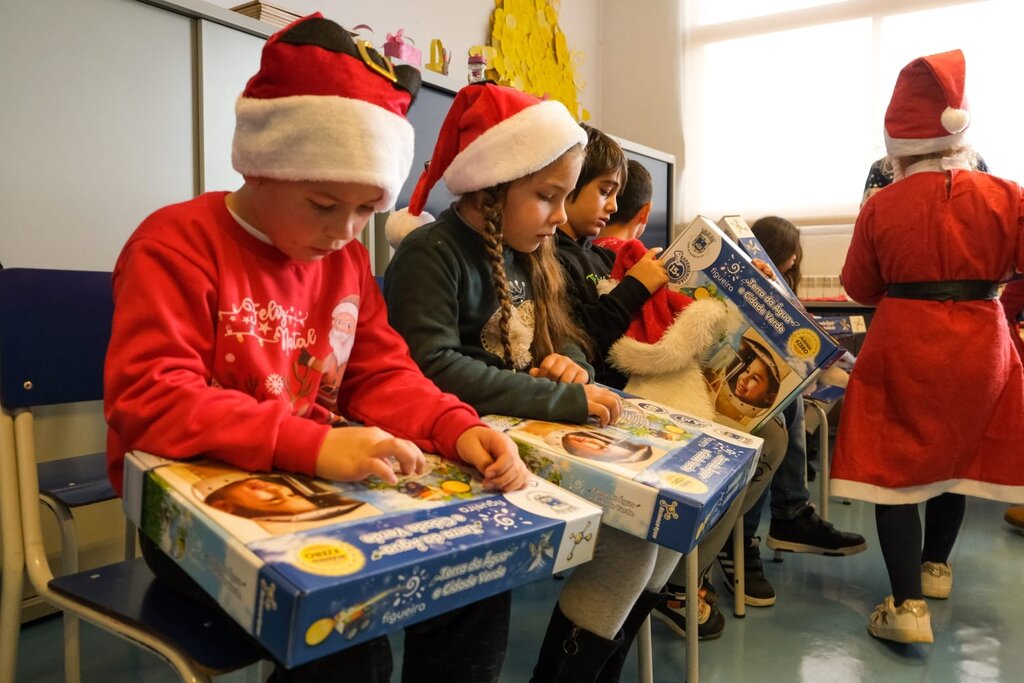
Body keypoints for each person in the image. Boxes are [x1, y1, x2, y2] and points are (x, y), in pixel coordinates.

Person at [103, 16, 530, 683]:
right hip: (193, 509)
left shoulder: (345, 261)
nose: (345, 232)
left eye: (365, 211)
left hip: (315, 483)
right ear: (262, 165)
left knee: (475, 581)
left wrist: (456, 426)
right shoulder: (174, 244)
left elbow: (380, 372)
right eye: (324, 205)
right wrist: (313, 445)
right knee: (349, 630)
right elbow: (151, 399)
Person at [383, 82, 634, 682]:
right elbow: (435, 367)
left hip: (525, 436)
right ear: (492, 188)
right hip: (458, 448)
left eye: (565, 197)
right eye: (547, 196)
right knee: (475, 606)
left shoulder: (532, 253)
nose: (559, 216)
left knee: (638, 540)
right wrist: (562, 397)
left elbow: (559, 337)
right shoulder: (431, 252)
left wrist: (571, 363)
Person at [556, 126, 788, 652]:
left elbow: (654, 313)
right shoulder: (560, 259)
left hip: (645, 390)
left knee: (760, 442)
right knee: (733, 454)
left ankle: (685, 576)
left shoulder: (595, 255)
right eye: (603, 191)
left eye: (616, 194)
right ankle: (680, 584)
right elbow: (592, 339)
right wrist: (639, 284)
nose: (611, 206)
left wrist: (736, 288)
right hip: (620, 402)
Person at [831, 49, 1024, 644]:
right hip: (984, 344)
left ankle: (907, 606)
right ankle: (936, 566)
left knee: (892, 465)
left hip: (905, 342)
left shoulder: (882, 206)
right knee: (956, 457)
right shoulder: (1009, 196)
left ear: (897, 145)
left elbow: (859, 286)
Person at [717, 216, 866, 610]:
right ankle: (759, 530)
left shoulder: (777, 286)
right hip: (722, 386)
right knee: (777, 413)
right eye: (789, 256)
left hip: (768, 384)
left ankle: (787, 513)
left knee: (789, 400)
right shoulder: (732, 280)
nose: (794, 262)